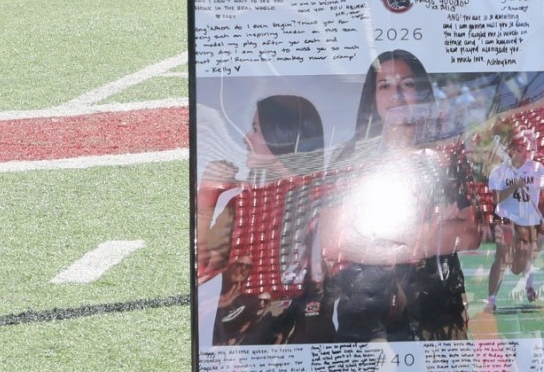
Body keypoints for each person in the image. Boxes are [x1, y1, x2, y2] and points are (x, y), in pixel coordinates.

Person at [309, 49, 484, 342]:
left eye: (407, 84)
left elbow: (469, 232)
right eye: (385, 85)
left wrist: (376, 240)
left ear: (423, 92)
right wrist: (427, 236)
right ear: (373, 96)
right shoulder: (349, 158)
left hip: (438, 310)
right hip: (367, 311)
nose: (396, 95)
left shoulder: (448, 154)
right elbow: (334, 242)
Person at [195, 95, 327, 346]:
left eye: (256, 129)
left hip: (295, 340)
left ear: (283, 135)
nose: (246, 138)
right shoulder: (246, 199)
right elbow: (203, 265)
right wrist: (208, 193)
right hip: (241, 343)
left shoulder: (321, 197)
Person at [484, 128, 544, 309]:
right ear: (512, 150)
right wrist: (514, 185)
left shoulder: (537, 168)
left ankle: (527, 282)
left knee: (517, 267)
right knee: (501, 258)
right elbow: (496, 199)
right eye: (522, 147)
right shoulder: (499, 171)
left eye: (527, 147)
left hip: (528, 224)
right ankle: (491, 300)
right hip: (505, 219)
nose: (527, 151)